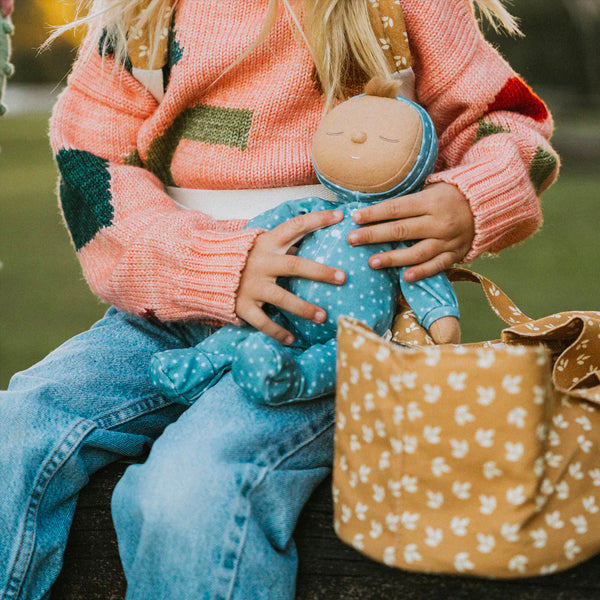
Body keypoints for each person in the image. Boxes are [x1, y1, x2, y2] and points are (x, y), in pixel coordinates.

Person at [0, 1, 559, 599]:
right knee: (19, 428)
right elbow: (92, 159)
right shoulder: (144, 14)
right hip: (164, 312)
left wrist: (472, 198)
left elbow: (506, 119)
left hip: (323, 337)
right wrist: (209, 262)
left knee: (190, 491)